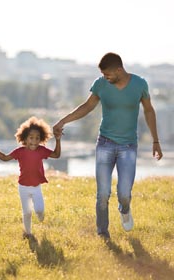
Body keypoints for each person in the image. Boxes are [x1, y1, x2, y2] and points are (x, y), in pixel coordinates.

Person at [53, 52, 163, 239]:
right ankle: (102, 232)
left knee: (124, 193)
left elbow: (149, 111)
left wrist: (155, 141)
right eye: (103, 75)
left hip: (128, 146)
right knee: (103, 193)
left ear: (119, 70)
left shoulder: (139, 84)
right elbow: (87, 107)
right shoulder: (100, 84)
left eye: (108, 75)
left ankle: (125, 208)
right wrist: (62, 121)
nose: (105, 78)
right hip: (105, 143)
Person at [0, 116, 62, 239]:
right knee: (27, 212)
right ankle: (28, 233)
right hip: (23, 187)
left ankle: (40, 215)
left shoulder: (41, 150)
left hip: (36, 187)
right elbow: (5, 158)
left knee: (39, 210)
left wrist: (58, 140)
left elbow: (56, 155)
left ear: (41, 139)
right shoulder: (19, 151)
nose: (34, 141)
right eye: (31, 138)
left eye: (37, 138)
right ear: (25, 138)